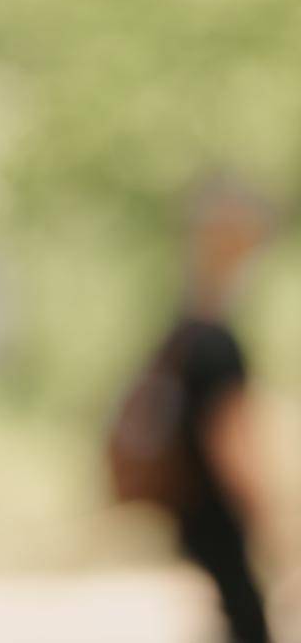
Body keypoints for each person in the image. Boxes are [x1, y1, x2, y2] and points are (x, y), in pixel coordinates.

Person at [112, 176, 275, 643]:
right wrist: (273, 523)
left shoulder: (183, 328)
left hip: (192, 510)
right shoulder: (214, 338)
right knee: (248, 618)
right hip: (217, 511)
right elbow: (231, 440)